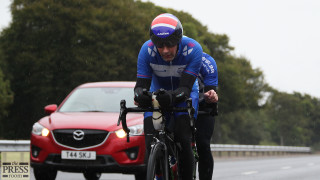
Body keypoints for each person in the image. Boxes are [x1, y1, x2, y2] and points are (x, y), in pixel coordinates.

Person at [134, 13, 203, 180]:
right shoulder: (146, 50)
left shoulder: (193, 49)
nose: (165, 50)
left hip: (185, 92)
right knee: (150, 141)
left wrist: (172, 97)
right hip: (158, 92)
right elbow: (140, 86)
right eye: (160, 46)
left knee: (183, 139)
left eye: (170, 45)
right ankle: (158, 171)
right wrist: (140, 95)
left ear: (178, 40)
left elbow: (185, 89)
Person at [196, 52, 219, 180]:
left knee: (203, 145)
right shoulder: (168, 57)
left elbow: (211, 93)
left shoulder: (206, 61)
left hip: (202, 105)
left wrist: (211, 98)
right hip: (177, 102)